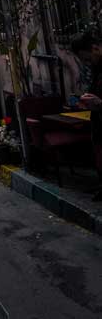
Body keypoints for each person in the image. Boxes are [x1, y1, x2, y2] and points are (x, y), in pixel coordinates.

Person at [71, 33, 102, 200]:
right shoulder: (96, 69)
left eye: (88, 59)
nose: (87, 63)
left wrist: (99, 103)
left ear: (95, 48)